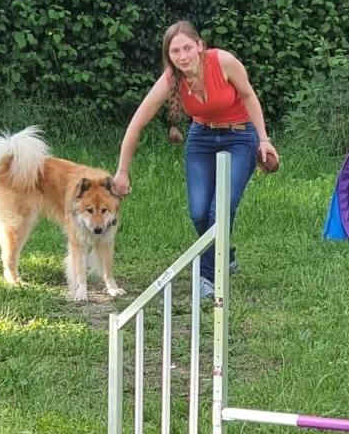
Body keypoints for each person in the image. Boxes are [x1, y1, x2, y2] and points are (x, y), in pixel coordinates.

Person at [113, 22, 279, 296]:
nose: (182, 56)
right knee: (199, 212)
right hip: (201, 139)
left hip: (240, 136)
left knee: (220, 210)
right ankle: (225, 256)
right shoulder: (171, 79)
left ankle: (206, 277)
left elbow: (249, 96)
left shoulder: (223, 61)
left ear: (199, 46)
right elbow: (136, 124)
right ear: (170, 56)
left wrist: (264, 139)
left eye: (187, 48)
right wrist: (122, 170)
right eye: (175, 51)